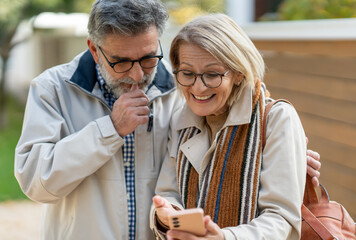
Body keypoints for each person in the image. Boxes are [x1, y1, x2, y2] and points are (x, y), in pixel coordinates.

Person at [14, 0, 320, 239]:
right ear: (94, 49)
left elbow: (218, 151)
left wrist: (278, 159)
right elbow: (36, 184)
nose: (137, 74)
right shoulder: (52, 89)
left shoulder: (181, 90)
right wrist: (109, 130)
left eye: (148, 58)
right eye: (121, 62)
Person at [151, 13, 310, 240]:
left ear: (238, 73)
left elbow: (281, 218)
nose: (198, 87)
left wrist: (225, 238)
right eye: (187, 73)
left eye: (212, 74)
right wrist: (168, 215)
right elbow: (168, 193)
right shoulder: (180, 121)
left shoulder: (277, 119)